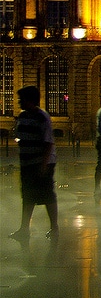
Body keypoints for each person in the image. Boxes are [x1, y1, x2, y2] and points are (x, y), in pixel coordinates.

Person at [9, 86, 59, 242]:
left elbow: (48, 142)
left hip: (41, 163)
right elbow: (19, 136)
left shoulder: (42, 117)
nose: (19, 102)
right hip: (28, 163)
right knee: (28, 196)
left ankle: (54, 228)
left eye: (21, 99)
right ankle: (24, 229)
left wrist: (43, 165)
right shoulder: (22, 116)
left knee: (47, 196)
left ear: (30, 100)